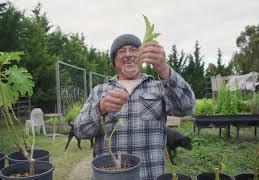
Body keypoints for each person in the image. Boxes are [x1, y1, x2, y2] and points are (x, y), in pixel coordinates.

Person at [74, 34, 195, 180]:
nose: (128, 54)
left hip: (149, 175)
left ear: (142, 56)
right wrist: (100, 108)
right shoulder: (99, 91)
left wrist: (164, 69)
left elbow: (187, 107)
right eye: (122, 51)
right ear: (114, 60)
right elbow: (79, 131)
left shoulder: (159, 87)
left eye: (133, 49)